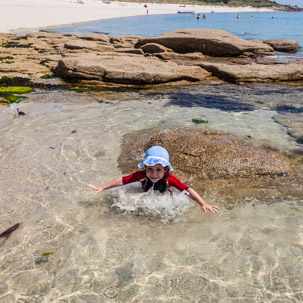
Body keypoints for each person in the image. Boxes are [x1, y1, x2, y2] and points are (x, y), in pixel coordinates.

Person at [86, 146, 219, 213]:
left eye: (158, 170)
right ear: (145, 167)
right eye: (150, 169)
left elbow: (188, 190)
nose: (154, 174)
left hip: (163, 192)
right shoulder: (142, 175)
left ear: (166, 169)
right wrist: (102, 187)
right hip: (146, 190)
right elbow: (122, 180)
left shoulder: (170, 179)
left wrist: (203, 203)